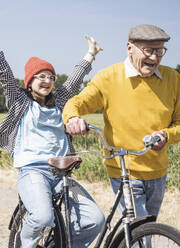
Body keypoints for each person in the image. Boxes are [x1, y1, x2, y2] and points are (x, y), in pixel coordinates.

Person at [0, 28, 104, 248]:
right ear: (30, 81)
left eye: (51, 77)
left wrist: (91, 53)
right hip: (33, 170)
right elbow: (3, 71)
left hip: (61, 173)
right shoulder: (19, 101)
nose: (47, 80)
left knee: (96, 220)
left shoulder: (61, 101)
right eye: (41, 76)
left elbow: (75, 79)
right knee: (44, 217)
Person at [62, 24, 180, 220]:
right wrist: (73, 117)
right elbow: (76, 102)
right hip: (124, 171)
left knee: (145, 231)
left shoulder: (173, 79)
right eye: (149, 50)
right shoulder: (109, 77)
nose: (155, 57)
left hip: (158, 173)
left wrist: (167, 136)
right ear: (129, 48)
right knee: (140, 236)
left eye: (160, 51)